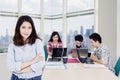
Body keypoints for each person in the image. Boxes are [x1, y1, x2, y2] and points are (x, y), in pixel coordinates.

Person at [7, 15, 45, 80]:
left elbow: (41, 63)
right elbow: (10, 66)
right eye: (23, 27)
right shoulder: (12, 46)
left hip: (34, 78)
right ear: (18, 28)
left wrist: (21, 70)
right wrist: (32, 62)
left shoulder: (37, 42)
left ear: (32, 29)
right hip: (16, 78)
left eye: (29, 28)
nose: (26, 31)